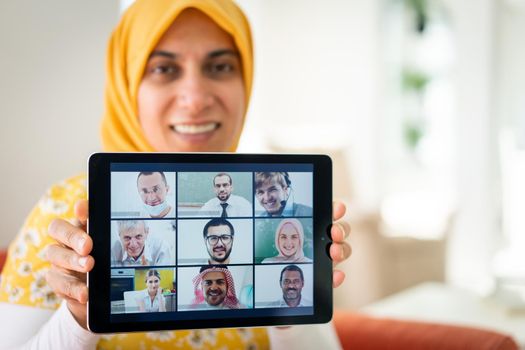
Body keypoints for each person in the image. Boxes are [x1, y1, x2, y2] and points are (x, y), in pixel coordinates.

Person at [0, 1, 351, 349]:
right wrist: (77, 318)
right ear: (127, 83)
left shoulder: (262, 212)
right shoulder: (66, 213)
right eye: (164, 69)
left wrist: (290, 305)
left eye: (220, 66)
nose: (196, 99)